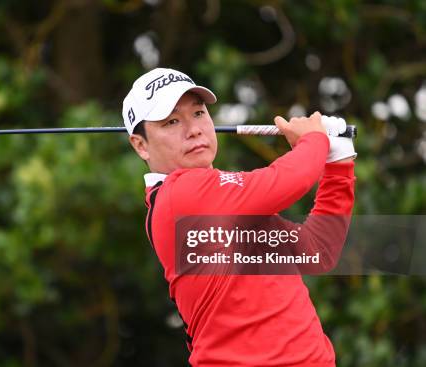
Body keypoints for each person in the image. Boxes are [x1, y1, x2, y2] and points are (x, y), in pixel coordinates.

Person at [122, 68, 356, 366]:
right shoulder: (178, 195)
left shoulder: (226, 195)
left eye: (198, 113)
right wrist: (313, 140)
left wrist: (338, 165)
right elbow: (287, 180)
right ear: (141, 145)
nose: (193, 129)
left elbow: (317, 250)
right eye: (171, 121)